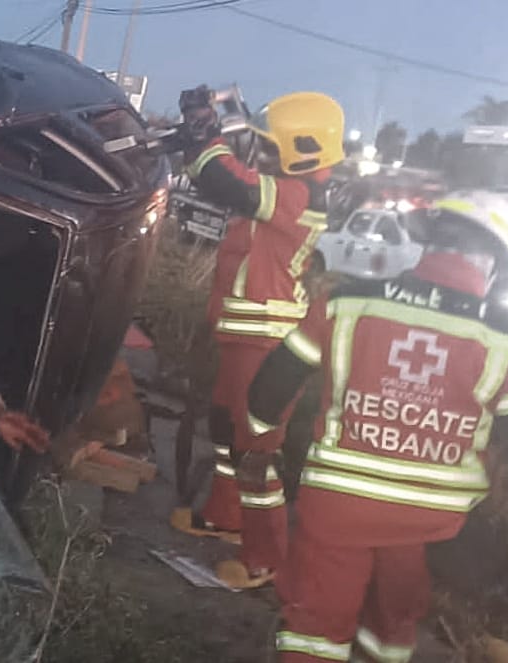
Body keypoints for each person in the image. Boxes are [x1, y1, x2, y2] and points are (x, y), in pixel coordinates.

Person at [246, 192, 508, 662]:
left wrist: (263, 442)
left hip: (338, 508)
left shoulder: (347, 301)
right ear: (497, 265)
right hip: (432, 528)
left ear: (430, 243)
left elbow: (269, 390)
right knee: (391, 630)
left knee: (314, 629)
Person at [170, 87, 346, 587]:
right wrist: (197, 137)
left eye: (271, 147)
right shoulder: (287, 187)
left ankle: (266, 558)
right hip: (243, 334)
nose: (263, 154)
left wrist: (205, 133)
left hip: (267, 342)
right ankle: (225, 517)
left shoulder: (300, 194)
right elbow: (219, 179)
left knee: (256, 453)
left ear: (303, 147)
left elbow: (228, 182)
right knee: (227, 430)